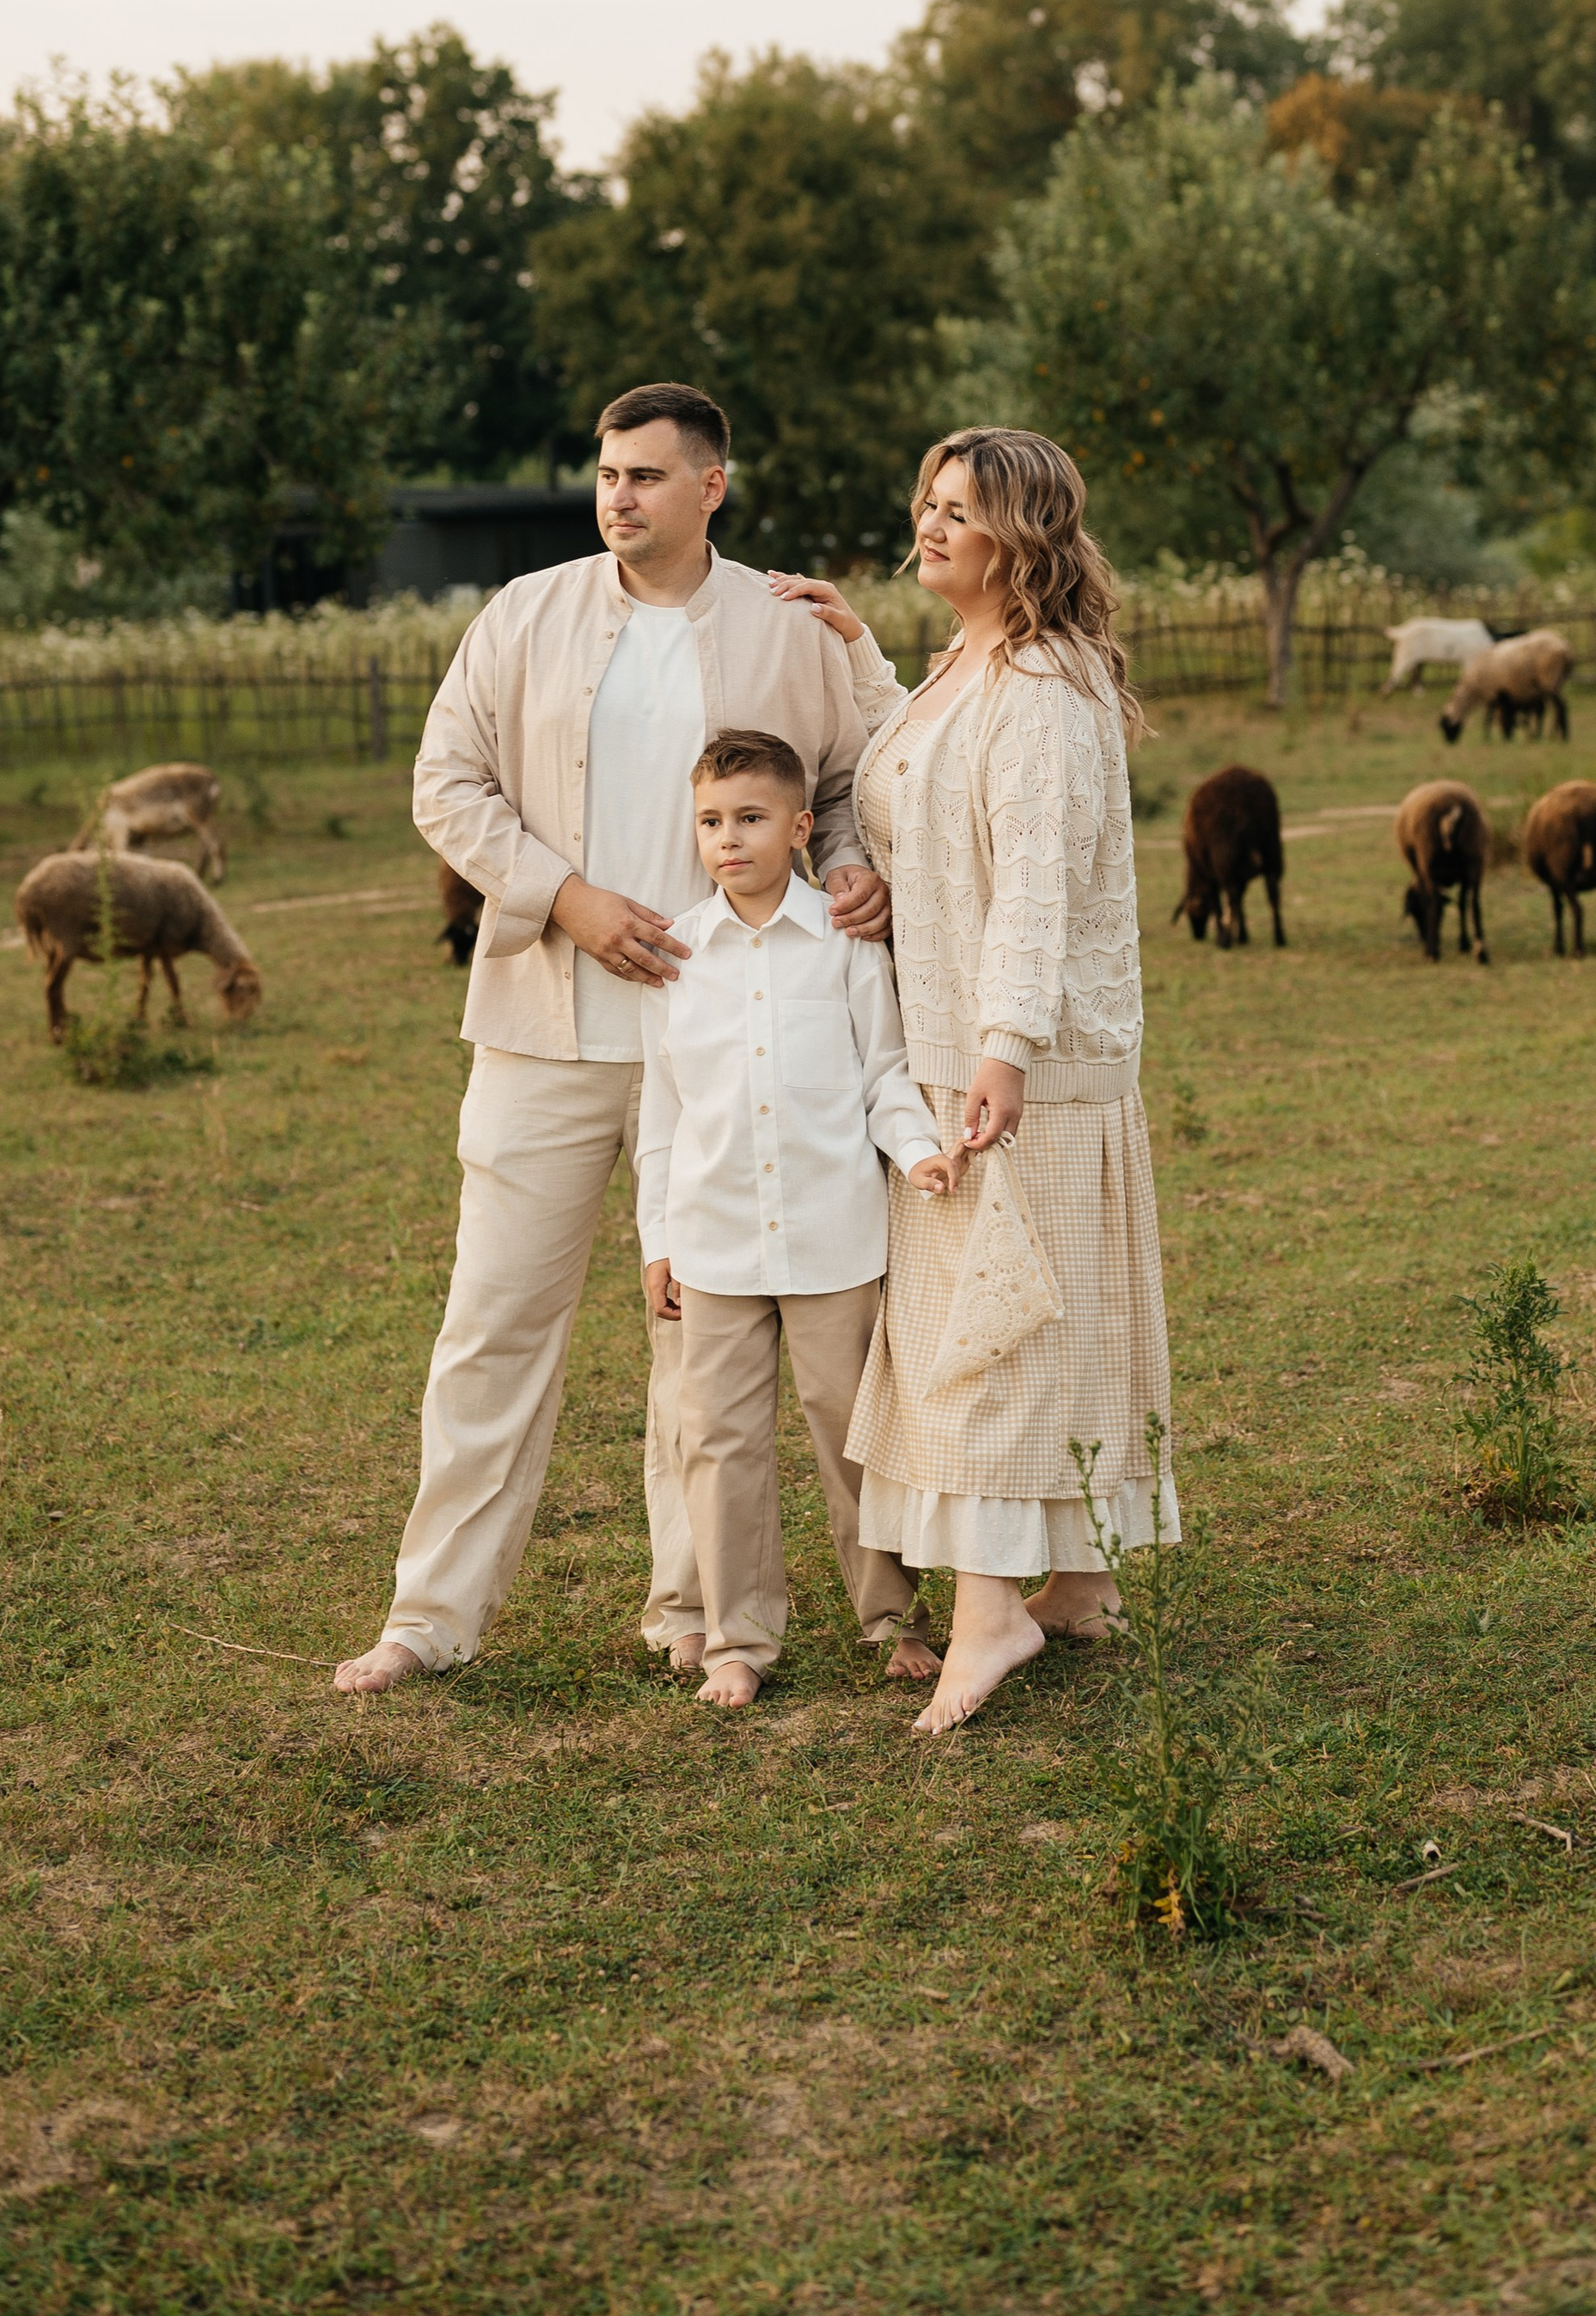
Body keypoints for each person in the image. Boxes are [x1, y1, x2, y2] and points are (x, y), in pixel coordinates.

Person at [334, 383, 896, 1695]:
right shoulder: (524, 616)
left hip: (731, 1044)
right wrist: (566, 897)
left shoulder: (788, 626)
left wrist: (852, 867)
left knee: (694, 1333)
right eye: (606, 473)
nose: (618, 495)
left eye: (646, 474)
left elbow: (846, 789)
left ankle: (689, 1607)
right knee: (492, 1321)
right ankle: (431, 1615)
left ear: (712, 485)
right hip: (546, 1027)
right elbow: (445, 783)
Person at [773, 425, 1177, 1737]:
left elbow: (1038, 887)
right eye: (928, 502)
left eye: (960, 509)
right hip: (960, 1039)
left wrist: (1004, 1047)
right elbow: (917, 768)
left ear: (1024, 537)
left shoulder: (1044, 686)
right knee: (1040, 1323)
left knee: (992, 1330)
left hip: (1015, 1061)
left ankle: (992, 1609)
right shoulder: (969, 663)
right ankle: (1078, 1581)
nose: (930, 525)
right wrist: (859, 654)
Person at [638, 727, 955, 1709]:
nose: (728, 838)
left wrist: (918, 1151)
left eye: (750, 817)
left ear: (800, 826)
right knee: (719, 1444)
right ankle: (737, 1638)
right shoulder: (678, 957)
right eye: (710, 821)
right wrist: (658, 1241)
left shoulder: (847, 946)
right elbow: (662, 1116)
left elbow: (884, 1075)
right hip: (715, 1246)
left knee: (852, 1433)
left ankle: (893, 1617)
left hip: (833, 1239)